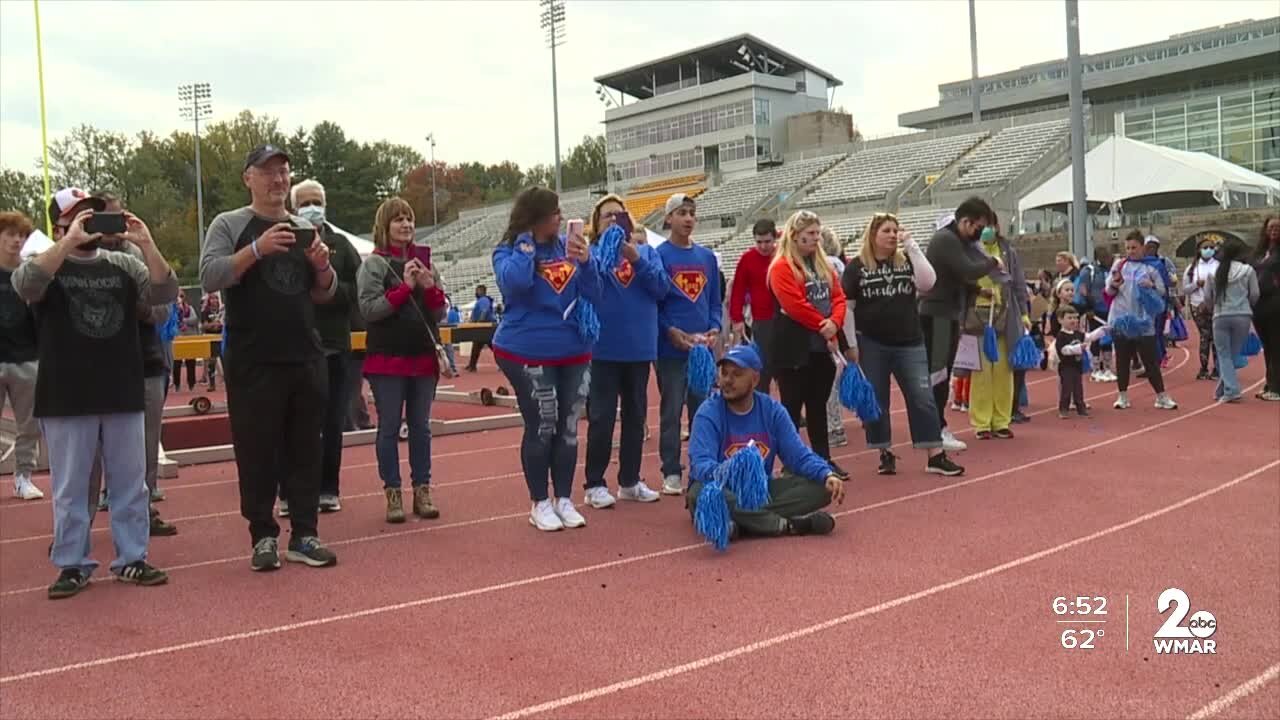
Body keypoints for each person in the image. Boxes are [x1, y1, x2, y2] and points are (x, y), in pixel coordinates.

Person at [13, 187, 178, 598]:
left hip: (121, 386)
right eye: (79, 218)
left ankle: (132, 557)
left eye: (94, 216)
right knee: (70, 488)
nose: (90, 224)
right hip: (66, 393)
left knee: (130, 484)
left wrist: (147, 244)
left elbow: (163, 298)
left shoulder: (125, 264)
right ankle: (72, 562)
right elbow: (26, 286)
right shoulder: (45, 265)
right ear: (60, 225)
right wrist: (68, 244)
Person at [199, 144, 339, 571]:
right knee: (257, 451)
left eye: (284, 171)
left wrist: (321, 266)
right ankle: (262, 535)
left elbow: (325, 294)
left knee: (305, 450)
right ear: (249, 178)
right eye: (268, 171)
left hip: (304, 354)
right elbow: (209, 276)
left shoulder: (302, 227)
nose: (278, 179)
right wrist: (256, 249)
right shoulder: (230, 224)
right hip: (252, 357)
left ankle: (305, 533)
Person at [491, 186, 602, 532]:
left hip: (573, 350)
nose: (560, 215)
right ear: (535, 216)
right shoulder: (507, 251)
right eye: (553, 211)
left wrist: (586, 262)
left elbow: (595, 293)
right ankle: (539, 502)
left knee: (568, 427)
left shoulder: (569, 249)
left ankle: (564, 498)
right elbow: (516, 284)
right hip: (526, 350)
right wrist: (526, 246)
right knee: (542, 424)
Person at [83, 191, 176, 535]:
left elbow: (163, 309)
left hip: (144, 361)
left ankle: (145, 509)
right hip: (92, 368)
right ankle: (81, 525)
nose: (113, 226)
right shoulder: (73, 257)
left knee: (146, 445)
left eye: (118, 217)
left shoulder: (136, 254)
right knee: (87, 456)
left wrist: (136, 306)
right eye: (105, 218)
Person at [841, 213, 963, 477]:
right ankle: (883, 451)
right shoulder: (857, 267)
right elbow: (847, 309)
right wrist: (850, 344)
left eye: (896, 230)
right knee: (878, 400)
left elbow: (929, 282)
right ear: (873, 234)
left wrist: (912, 246)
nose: (893, 235)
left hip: (910, 341)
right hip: (872, 342)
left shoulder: (907, 259)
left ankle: (935, 454)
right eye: (886, 231)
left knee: (922, 397)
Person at [685, 344, 844, 542]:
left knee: (822, 488)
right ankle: (785, 525)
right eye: (724, 373)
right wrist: (733, 471)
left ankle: (740, 526)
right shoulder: (708, 412)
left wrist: (826, 473)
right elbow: (700, 464)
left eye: (736, 374)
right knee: (699, 493)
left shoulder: (772, 411)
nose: (727, 380)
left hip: (759, 491)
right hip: (721, 488)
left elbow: (798, 455)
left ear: (755, 379)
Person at [358, 197, 446, 523]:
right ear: (385, 225)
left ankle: (422, 489)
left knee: (421, 427)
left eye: (409, 219)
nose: (406, 225)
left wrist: (429, 286)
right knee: (390, 427)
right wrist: (405, 289)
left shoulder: (427, 264)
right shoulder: (374, 265)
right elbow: (369, 309)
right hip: (387, 358)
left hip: (422, 357)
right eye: (398, 220)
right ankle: (392, 492)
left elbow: (439, 313)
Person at [581, 194, 667, 508]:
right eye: (607, 216)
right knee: (601, 418)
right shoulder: (590, 255)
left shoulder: (645, 252)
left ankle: (629, 480)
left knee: (636, 417)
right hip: (603, 349)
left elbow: (661, 288)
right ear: (596, 224)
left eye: (620, 215)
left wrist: (636, 258)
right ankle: (594, 483)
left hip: (639, 348)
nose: (614, 221)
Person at [290, 178, 362, 512]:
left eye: (316, 201)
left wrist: (329, 291)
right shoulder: (284, 240)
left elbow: (356, 292)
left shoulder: (343, 246)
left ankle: (328, 489)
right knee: (293, 422)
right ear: (294, 208)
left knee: (333, 421)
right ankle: (290, 492)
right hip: (294, 346)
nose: (311, 207)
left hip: (335, 346)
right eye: (304, 202)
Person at [765, 210, 851, 478]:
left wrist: (834, 323)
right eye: (810, 234)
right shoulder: (781, 267)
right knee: (791, 406)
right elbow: (794, 305)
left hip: (820, 345)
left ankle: (823, 459)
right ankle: (791, 463)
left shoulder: (824, 264)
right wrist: (823, 325)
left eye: (817, 233)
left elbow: (838, 296)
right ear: (794, 236)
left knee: (818, 406)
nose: (816, 239)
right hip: (792, 346)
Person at [919, 197, 1002, 452]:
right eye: (979, 226)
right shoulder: (946, 240)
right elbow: (966, 268)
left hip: (948, 313)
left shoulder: (955, 240)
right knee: (939, 372)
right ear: (966, 222)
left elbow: (954, 276)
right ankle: (935, 430)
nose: (980, 232)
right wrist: (992, 263)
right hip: (939, 314)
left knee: (941, 370)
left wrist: (977, 290)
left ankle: (934, 427)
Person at [654, 193, 721, 496]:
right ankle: (670, 470)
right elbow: (655, 303)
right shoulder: (659, 255)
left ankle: (701, 466)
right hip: (671, 350)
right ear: (668, 218)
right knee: (671, 411)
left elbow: (714, 303)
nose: (688, 218)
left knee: (702, 411)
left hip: (702, 351)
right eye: (681, 213)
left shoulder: (707, 257)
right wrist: (670, 331)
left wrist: (715, 329)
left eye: (692, 213)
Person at [965, 220, 1029, 440]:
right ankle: (981, 422)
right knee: (981, 372)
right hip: (977, 318)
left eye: (990, 225)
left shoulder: (1008, 251)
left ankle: (1001, 420)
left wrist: (1023, 313)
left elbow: (1018, 283)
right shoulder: (968, 251)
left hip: (1004, 315)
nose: (986, 230)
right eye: (981, 226)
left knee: (1003, 370)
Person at [1106, 230, 1177, 411]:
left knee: (1150, 360)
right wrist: (1114, 283)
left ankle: (1161, 396)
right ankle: (1122, 396)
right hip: (1121, 319)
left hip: (1144, 321)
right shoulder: (1119, 265)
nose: (1131, 251)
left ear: (1142, 247)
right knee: (1122, 360)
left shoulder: (1152, 267)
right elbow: (1109, 292)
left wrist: (1151, 286)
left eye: (1134, 248)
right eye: (1128, 248)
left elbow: (1162, 291)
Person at [0, 211, 44, 500]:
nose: (16, 240)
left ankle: (23, 476)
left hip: (27, 356)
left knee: (29, 423)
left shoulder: (29, 273)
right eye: (10, 234)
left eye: (21, 235)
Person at [1203, 240, 1259, 404]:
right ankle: (1224, 388)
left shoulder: (1214, 273)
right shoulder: (1248, 270)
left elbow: (1207, 297)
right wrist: (1247, 304)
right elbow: (1255, 293)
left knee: (1224, 354)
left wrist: (1213, 307)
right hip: (1242, 315)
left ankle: (1231, 390)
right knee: (1232, 355)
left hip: (1221, 315)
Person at [728, 218, 778, 391]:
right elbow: (738, 291)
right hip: (761, 322)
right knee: (762, 370)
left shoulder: (782, 256)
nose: (763, 246)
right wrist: (737, 319)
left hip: (785, 320)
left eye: (767, 242)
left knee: (787, 371)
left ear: (775, 238)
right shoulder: (747, 259)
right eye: (759, 242)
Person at [1053, 306, 1107, 418]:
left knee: (1078, 388)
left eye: (1075, 318)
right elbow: (1063, 350)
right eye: (1069, 318)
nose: (1073, 320)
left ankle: (1080, 408)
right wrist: (1078, 348)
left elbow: (1090, 337)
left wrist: (1102, 330)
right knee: (1066, 388)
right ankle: (1064, 409)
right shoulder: (1061, 336)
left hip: (1077, 366)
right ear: (1061, 320)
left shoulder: (1078, 334)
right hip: (1066, 367)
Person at [1181, 235, 1221, 381]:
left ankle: (1217, 368)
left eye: (1211, 247)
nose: (1208, 250)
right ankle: (1203, 368)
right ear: (1199, 250)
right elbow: (1185, 289)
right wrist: (1196, 284)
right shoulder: (1191, 269)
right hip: (1197, 306)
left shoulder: (1218, 265)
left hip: (1216, 306)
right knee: (1205, 337)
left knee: (1216, 337)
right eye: (1205, 248)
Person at [1251, 215, 1280, 401]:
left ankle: (1276, 388)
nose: (1274, 231)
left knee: (1276, 346)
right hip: (1259, 305)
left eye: (1277, 228)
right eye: (1271, 227)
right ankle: (1270, 384)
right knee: (1267, 347)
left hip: (1276, 303)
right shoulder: (1260, 252)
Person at [465, 284, 496, 372]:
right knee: (477, 346)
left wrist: (479, 323)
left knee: (489, 346)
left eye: (477, 290)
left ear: (482, 291)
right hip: (484, 326)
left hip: (484, 326)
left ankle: (472, 366)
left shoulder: (483, 300)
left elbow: (484, 311)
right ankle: (472, 365)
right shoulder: (483, 300)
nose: (476, 292)